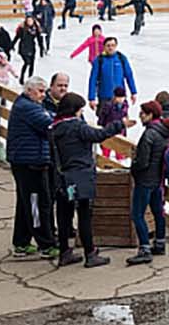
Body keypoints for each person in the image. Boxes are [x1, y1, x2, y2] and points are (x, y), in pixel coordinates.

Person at [50, 91, 132, 268]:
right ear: (75, 110)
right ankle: (90, 253)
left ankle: (65, 252)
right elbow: (99, 135)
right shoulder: (77, 127)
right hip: (80, 176)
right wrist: (120, 124)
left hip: (62, 177)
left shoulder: (55, 128)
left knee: (64, 215)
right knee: (85, 214)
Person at [8, 77, 58, 258]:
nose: (43, 96)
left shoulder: (27, 105)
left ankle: (21, 242)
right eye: (40, 91)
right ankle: (46, 244)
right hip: (30, 162)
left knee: (25, 203)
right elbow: (50, 124)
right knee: (37, 204)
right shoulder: (28, 108)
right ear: (29, 91)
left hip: (26, 160)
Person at [126, 101, 169, 266]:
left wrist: (133, 167)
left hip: (145, 180)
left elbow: (142, 161)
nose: (140, 115)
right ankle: (160, 243)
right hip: (158, 180)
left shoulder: (149, 134)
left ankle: (144, 250)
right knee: (158, 212)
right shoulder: (163, 132)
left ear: (150, 115)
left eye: (142, 113)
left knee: (137, 214)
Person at [87, 36, 138, 113]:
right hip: (104, 97)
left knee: (121, 120)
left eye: (113, 45)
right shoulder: (99, 60)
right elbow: (93, 79)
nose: (110, 48)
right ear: (104, 47)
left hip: (119, 97)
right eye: (108, 46)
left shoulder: (121, 58)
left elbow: (129, 76)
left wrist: (133, 92)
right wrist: (91, 98)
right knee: (104, 120)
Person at [14, 16, 42, 82]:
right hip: (23, 47)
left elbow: (39, 38)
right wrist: (11, 45)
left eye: (31, 21)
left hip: (31, 47)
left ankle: (30, 78)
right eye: (28, 21)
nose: (29, 22)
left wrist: (41, 48)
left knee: (32, 64)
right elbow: (17, 37)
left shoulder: (35, 28)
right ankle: (22, 77)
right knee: (27, 62)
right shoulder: (22, 28)